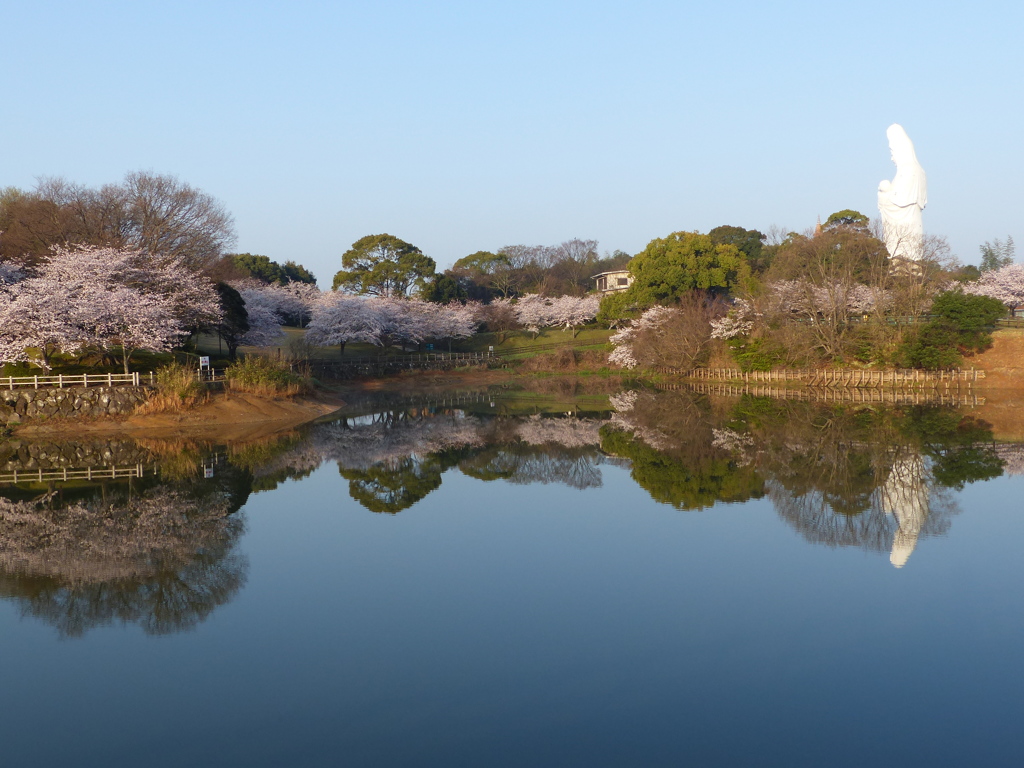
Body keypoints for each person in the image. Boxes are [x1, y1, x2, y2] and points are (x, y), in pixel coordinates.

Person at [878, 124, 927, 261]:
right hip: (910, 223)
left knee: (906, 249)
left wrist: (884, 196)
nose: (892, 158)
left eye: (892, 152)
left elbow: (899, 201)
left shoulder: (909, 170)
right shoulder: (916, 170)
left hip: (905, 226)